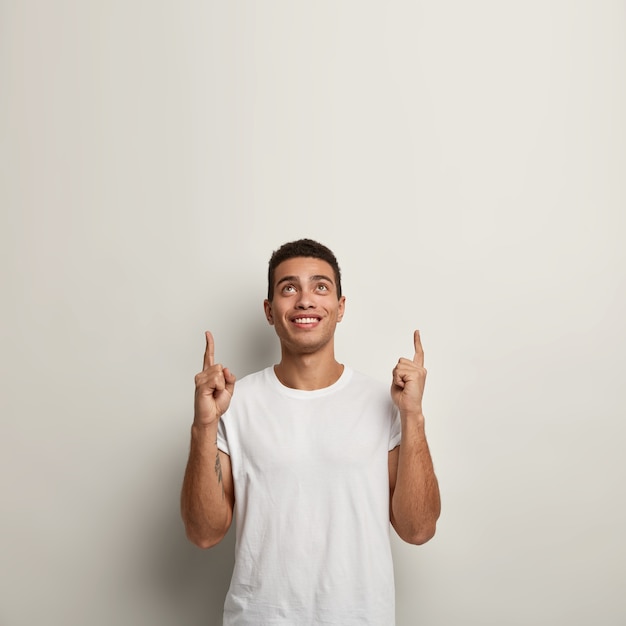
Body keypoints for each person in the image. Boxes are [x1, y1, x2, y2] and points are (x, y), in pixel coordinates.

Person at [181, 238, 441, 625]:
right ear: (270, 311)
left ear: (340, 307)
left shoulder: (385, 401)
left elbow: (418, 529)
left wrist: (413, 416)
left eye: (321, 287)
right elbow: (204, 533)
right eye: (289, 288)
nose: (305, 300)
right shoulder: (234, 403)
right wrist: (203, 426)